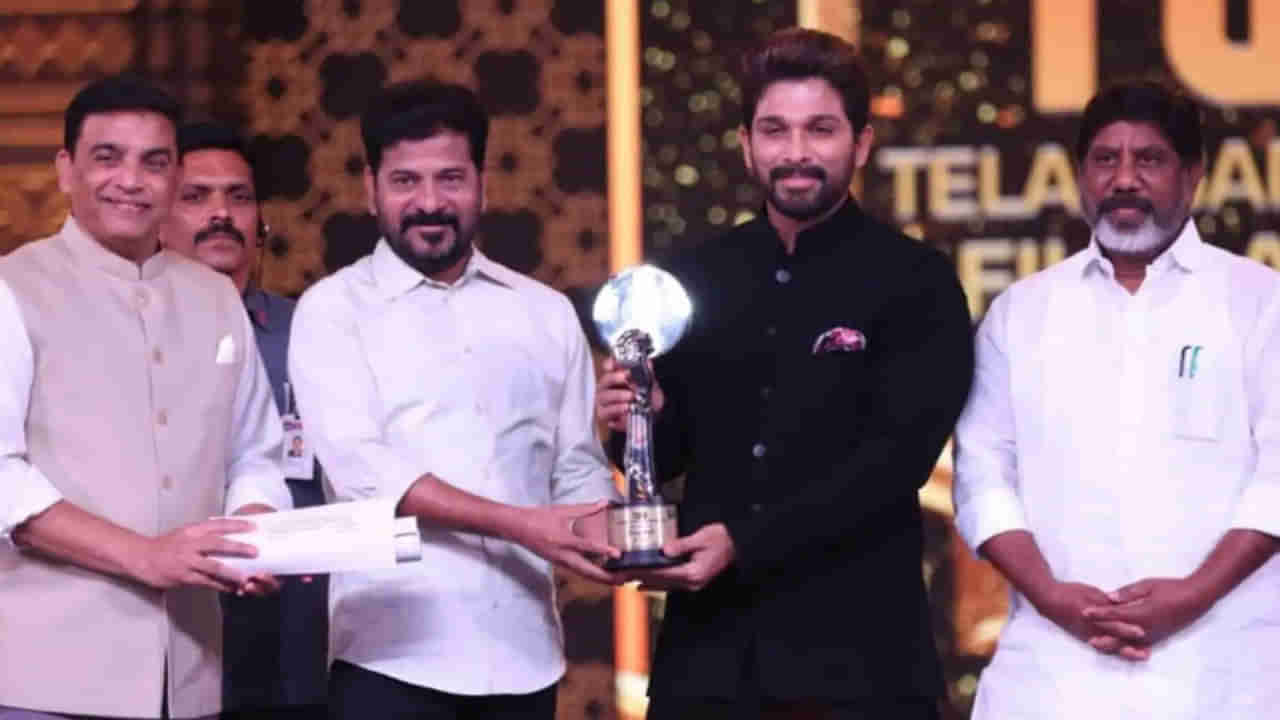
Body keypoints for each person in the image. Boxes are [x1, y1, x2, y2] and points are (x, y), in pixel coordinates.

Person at [595, 28, 974, 720]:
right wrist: (631, 418)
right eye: (775, 130)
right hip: (708, 667)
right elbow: (662, 457)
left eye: (820, 130)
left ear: (861, 143)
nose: (796, 152)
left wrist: (742, 542)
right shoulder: (692, 279)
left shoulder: (916, 281)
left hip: (861, 670)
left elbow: (894, 464)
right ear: (746, 144)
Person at [288, 81, 620, 720]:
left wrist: (625, 535)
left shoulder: (545, 312)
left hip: (526, 660)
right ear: (371, 188)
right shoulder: (332, 310)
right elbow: (364, 473)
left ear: (482, 184)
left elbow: (575, 467)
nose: (430, 203)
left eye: (450, 179)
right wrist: (522, 524)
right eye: (405, 181)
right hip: (391, 661)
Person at [952, 81, 1280, 719]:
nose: (1124, 179)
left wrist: (1195, 592)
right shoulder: (1022, 313)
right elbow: (981, 476)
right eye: (1105, 159)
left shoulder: (1259, 303)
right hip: (1052, 677)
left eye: (1149, 159)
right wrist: (1051, 595)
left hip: (1224, 676)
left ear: (1193, 174)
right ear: (1080, 175)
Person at [0, 75, 291, 720]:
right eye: (108, 158)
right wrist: (146, 557)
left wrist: (256, 533)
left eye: (154, 163)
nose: (131, 181)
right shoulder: (12, 288)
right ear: (66, 169)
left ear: (174, 178)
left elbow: (254, 453)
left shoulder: (216, 297)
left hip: (190, 673)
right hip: (43, 679)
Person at [161, 121, 328, 719]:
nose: (221, 214)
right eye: (196, 196)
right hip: (168, 627)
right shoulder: (131, 336)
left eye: (239, 197)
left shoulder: (314, 333)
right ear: (158, 218)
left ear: (262, 224)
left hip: (296, 636)